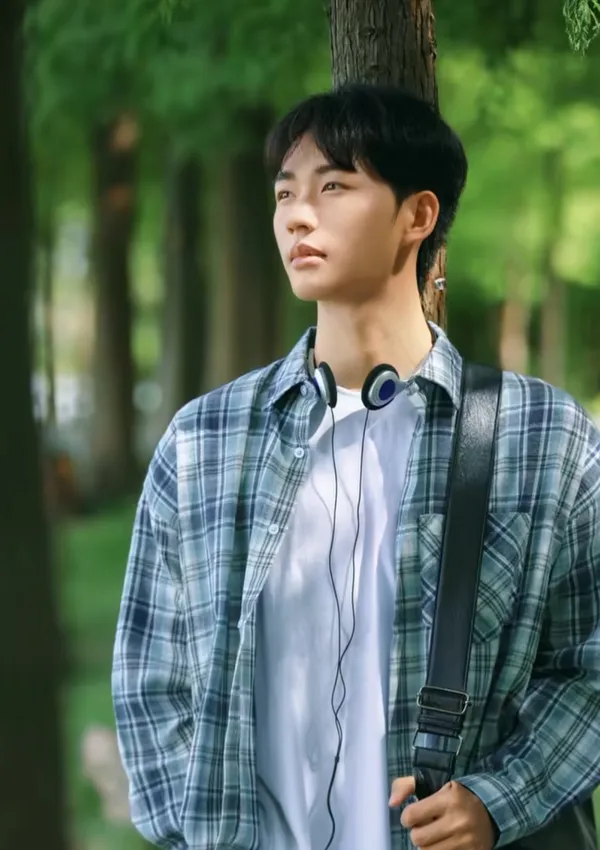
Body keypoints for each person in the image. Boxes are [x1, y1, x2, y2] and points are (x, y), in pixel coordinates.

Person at [112, 83, 600, 850]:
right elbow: (151, 682)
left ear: (418, 215)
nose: (297, 216)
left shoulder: (541, 435)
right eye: (285, 194)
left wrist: (499, 800)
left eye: (333, 187)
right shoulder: (204, 441)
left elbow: (589, 666)